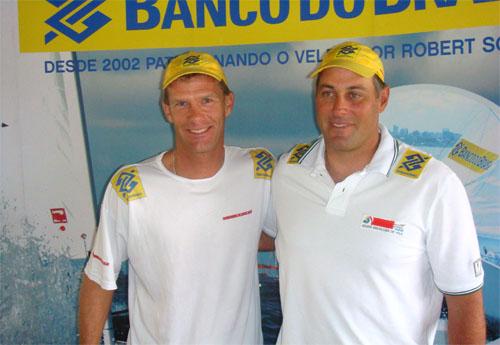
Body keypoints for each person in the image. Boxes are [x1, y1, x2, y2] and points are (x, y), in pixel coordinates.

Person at [270, 41, 485, 344]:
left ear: (382, 99)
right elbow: (258, 231)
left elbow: (465, 303)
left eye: (354, 94)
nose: (339, 108)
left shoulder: (433, 185)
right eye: (328, 93)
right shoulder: (289, 171)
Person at [79, 51, 275, 344]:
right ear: (167, 110)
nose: (195, 117)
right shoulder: (131, 186)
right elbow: (99, 278)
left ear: (228, 104)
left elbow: (281, 235)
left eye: (206, 100)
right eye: (182, 103)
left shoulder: (259, 170)